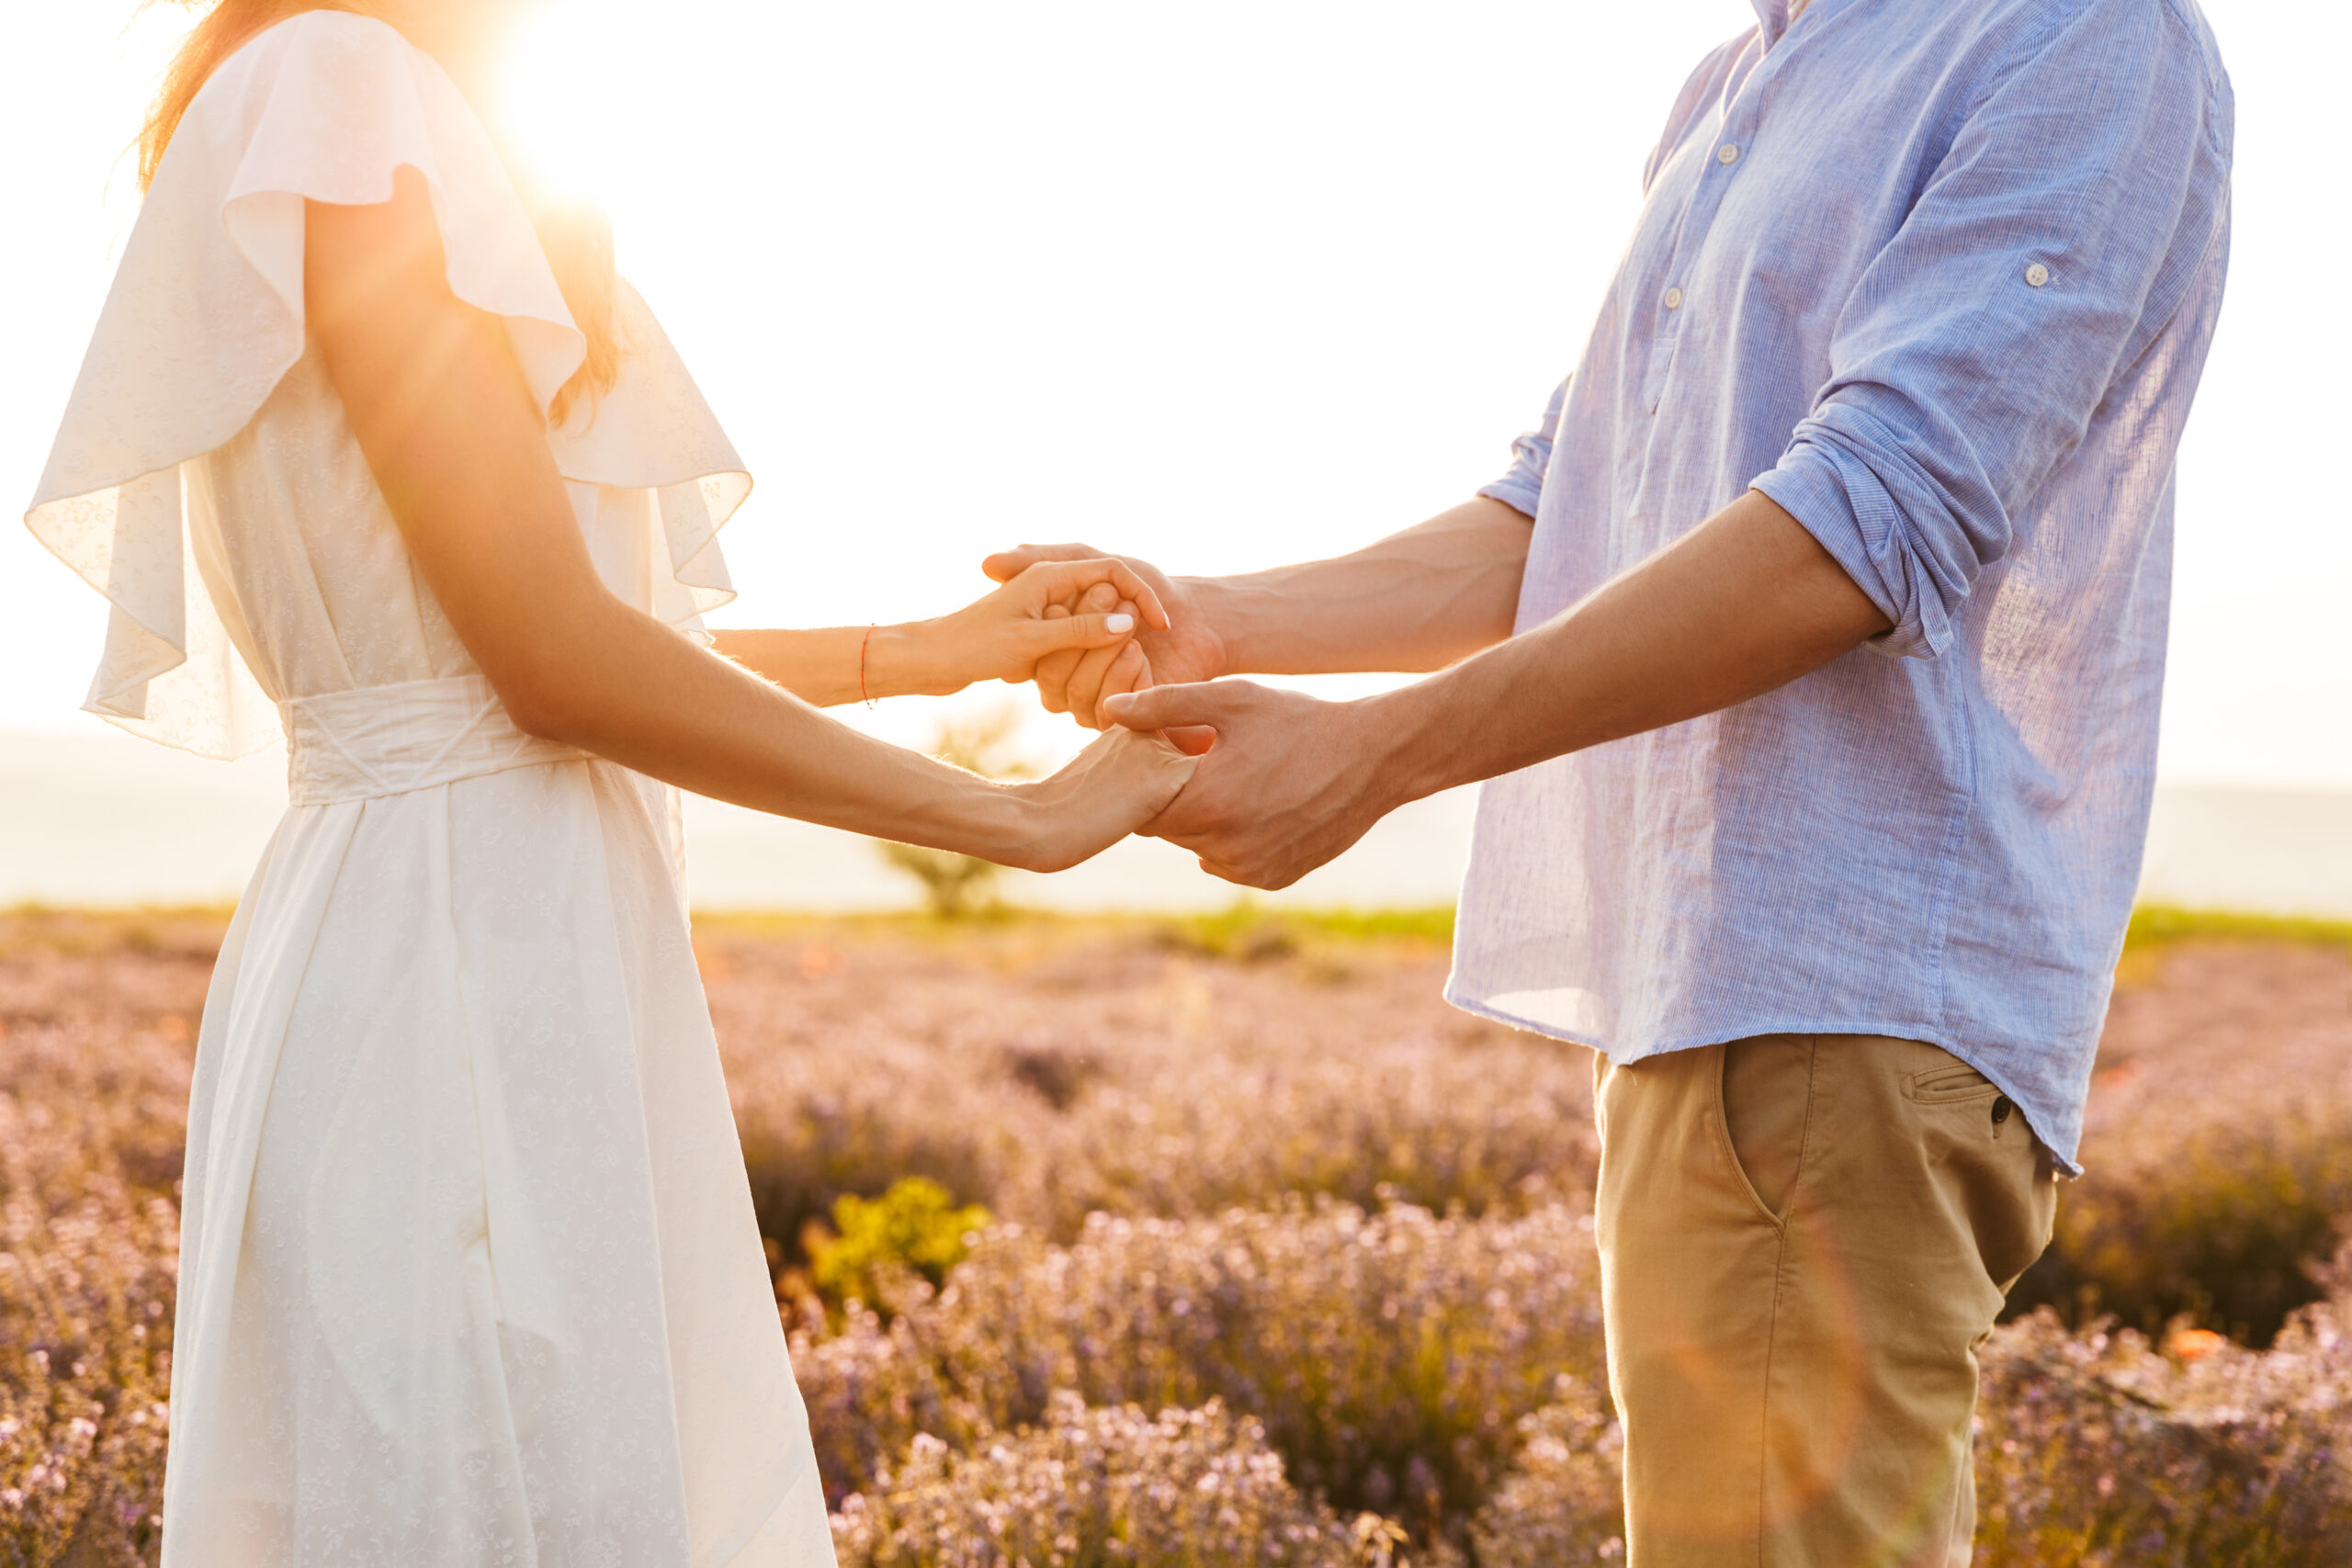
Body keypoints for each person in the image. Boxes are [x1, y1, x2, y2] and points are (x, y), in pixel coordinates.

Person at [991, 0, 2233, 1561]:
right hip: (1712, 1000)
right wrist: (1216, 615)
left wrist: (1378, 756)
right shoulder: (1746, 77)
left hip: (1836, 996)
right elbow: (1569, 504)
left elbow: (1866, 525)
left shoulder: (2075, 35)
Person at [24, 2, 1193, 1562]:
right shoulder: (343, 87)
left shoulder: (377, 105)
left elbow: (528, 643)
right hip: (454, 960)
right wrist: (1015, 821)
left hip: (480, 935)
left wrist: (936, 650)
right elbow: (549, 666)